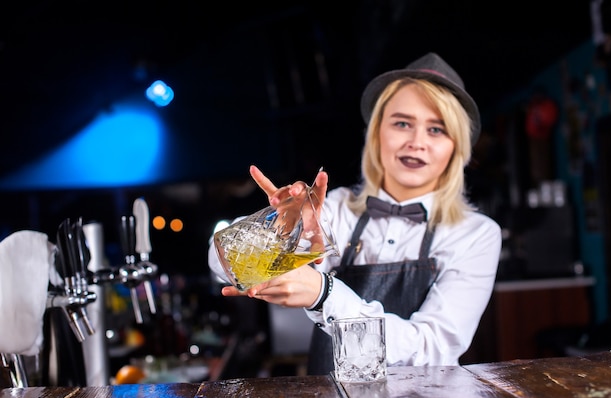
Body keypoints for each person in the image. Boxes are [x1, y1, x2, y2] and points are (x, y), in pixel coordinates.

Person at [208, 52, 502, 375]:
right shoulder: (335, 210)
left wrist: (326, 296)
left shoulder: (476, 234)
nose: (417, 142)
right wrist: (280, 226)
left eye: (437, 130)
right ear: (376, 135)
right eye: (402, 123)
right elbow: (219, 259)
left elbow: (432, 349)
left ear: (456, 147)